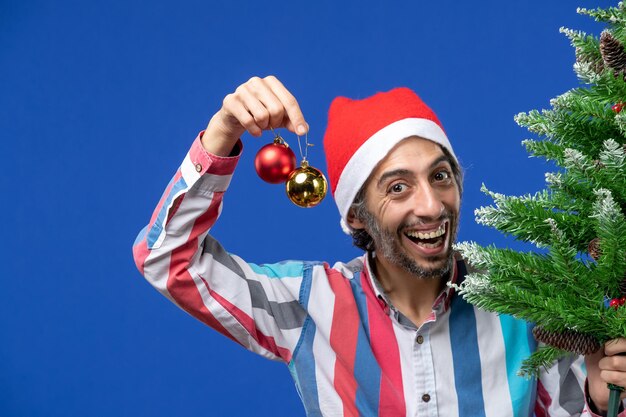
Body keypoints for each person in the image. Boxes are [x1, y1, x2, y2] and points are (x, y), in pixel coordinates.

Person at [133, 75, 626, 416]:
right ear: (355, 214)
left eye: (441, 176)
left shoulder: (526, 304)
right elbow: (166, 257)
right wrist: (223, 133)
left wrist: (602, 402)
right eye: (398, 187)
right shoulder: (311, 304)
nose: (432, 206)